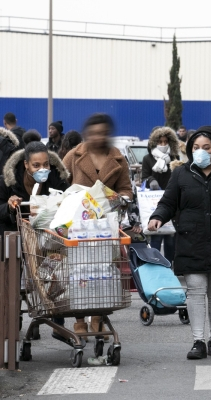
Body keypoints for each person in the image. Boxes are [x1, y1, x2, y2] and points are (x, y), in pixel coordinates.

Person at [147, 126, 211, 360]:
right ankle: (198, 341)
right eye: (196, 148)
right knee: (195, 291)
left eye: (206, 148)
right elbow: (168, 202)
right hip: (190, 240)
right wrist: (157, 217)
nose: (200, 152)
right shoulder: (181, 174)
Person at [63, 113, 135, 339]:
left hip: (104, 227)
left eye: (102, 132)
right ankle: (79, 321)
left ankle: (97, 317)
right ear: (86, 134)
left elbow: (126, 190)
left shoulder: (118, 159)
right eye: (93, 132)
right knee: (78, 271)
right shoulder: (73, 157)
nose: (98, 136)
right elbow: (57, 185)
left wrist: (111, 198)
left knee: (102, 272)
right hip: (76, 227)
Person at [0, 142, 70, 339]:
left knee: (57, 274)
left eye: (46, 164)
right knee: (13, 283)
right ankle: (14, 320)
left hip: (47, 240)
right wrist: (10, 206)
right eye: (36, 165)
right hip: (16, 241)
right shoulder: (7, 183)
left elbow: (69, 201)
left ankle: (59, 322)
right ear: (26, 165)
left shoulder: (56, 181)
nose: (42, 170)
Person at [141, 126, 180, 264]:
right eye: (160, 142)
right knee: (156, 237)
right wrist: (151, 180)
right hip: (154, 202)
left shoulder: (175, 158)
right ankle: (156, 263)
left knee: (170, 238)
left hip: (171, 201)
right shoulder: (148, 158)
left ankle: (170, 263)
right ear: (154, 142)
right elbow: (144, 176)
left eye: (165, 141)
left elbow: (179, 176)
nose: (163, 145)